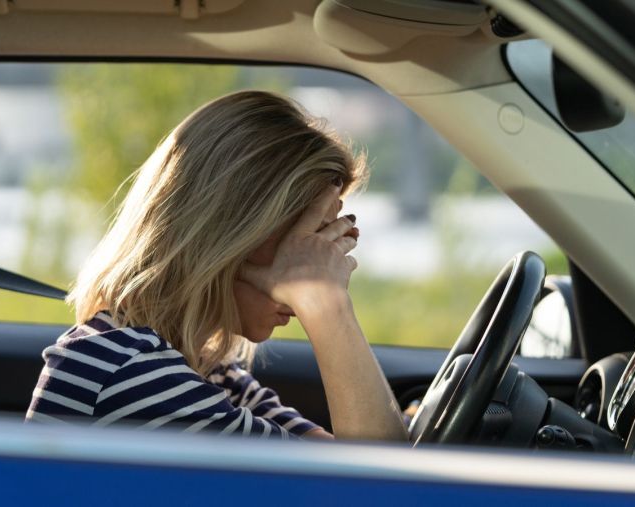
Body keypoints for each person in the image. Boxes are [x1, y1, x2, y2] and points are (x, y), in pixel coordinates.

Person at [26, 90, 407, 441]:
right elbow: (379, 487)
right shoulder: (130, 374)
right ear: (231, 238)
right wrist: (323, 301)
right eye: (305, 242)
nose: (321, 260)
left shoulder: (206, 369)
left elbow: (357, 465)